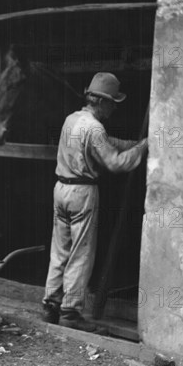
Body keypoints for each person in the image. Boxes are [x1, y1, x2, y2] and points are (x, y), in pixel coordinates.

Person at [42, 72, 148, 331]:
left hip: (61, 189)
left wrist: (133, 143)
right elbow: (115, 162)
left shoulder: (73, 120)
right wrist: (142, 148)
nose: (113, 107)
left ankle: (50, 306)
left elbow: (106, 143)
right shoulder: (95, 127)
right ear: (100, 101)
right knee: (81, 253)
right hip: (82, 194)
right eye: (112, 102)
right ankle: (71, 312)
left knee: (60, 251)